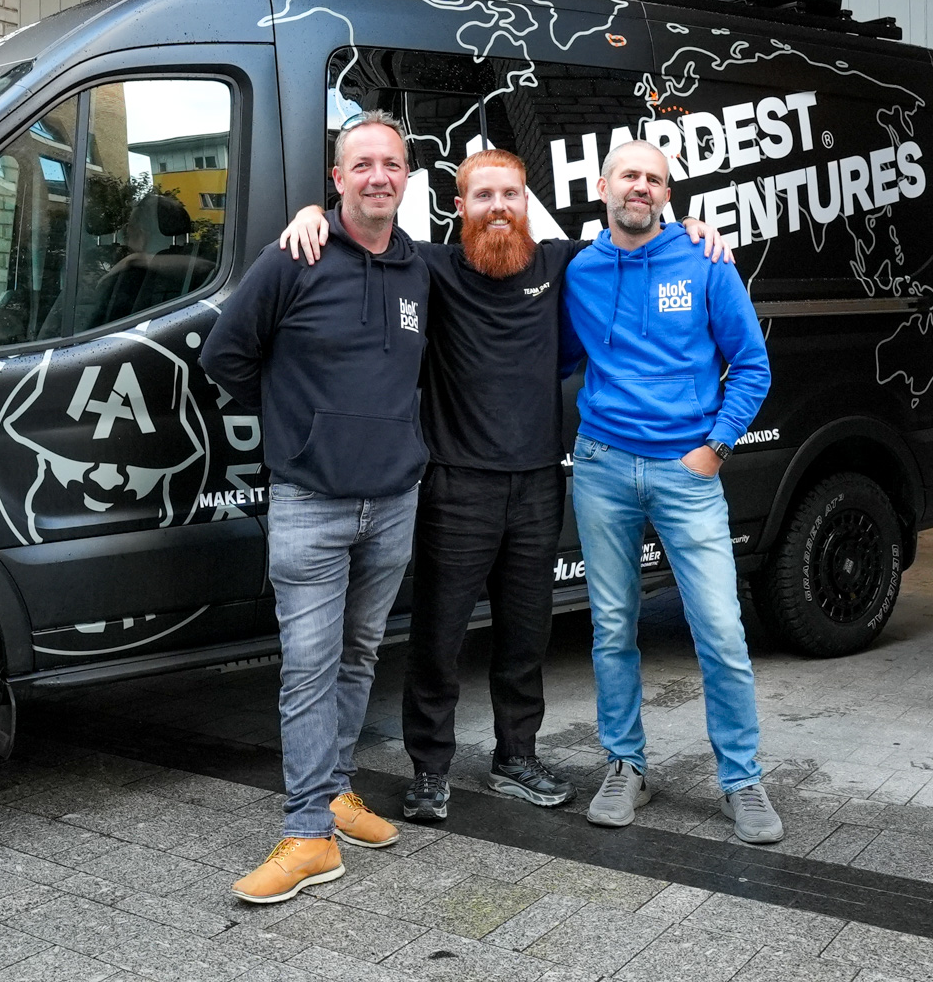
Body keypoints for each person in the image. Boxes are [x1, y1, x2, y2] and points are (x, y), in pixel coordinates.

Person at [277, 148, 729, 824]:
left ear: (527, 205)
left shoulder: (559, 264)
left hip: (539, 483)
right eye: (483, 196)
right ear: (459, 207)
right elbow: (363, 231)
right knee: (439, 637)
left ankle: (515, 757)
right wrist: (313, 213)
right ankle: (430, 769)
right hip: (456, 486)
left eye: (510, 195)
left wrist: (693, 225)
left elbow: (634, 228)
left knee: (526, 633)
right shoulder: (428, 270)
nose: (497, 207)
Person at [199, 111, 428, 904]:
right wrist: (298, 419)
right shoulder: (293, 257)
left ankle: (334, 792)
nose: (377, 177)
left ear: (406, 177)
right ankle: (307, 833)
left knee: (361, 654)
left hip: (394, 502)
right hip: (309, 502)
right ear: (337, 180)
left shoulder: (418, 270)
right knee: (306, 668)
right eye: (360, 164)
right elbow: (223, 355)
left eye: (390, 165)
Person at [561, 139, 783, 844]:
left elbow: (751, 365)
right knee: (611, 628)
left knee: (719, 628)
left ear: (668, 195)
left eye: (655, 179)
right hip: (601, 466)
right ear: (604, 186)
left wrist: (714, 449)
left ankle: (741, 779)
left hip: (685, 475)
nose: (642, 188)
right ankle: (627, 765)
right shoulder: (579, 272)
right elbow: (556, 353)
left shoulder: (706, 260)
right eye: (630, 175)